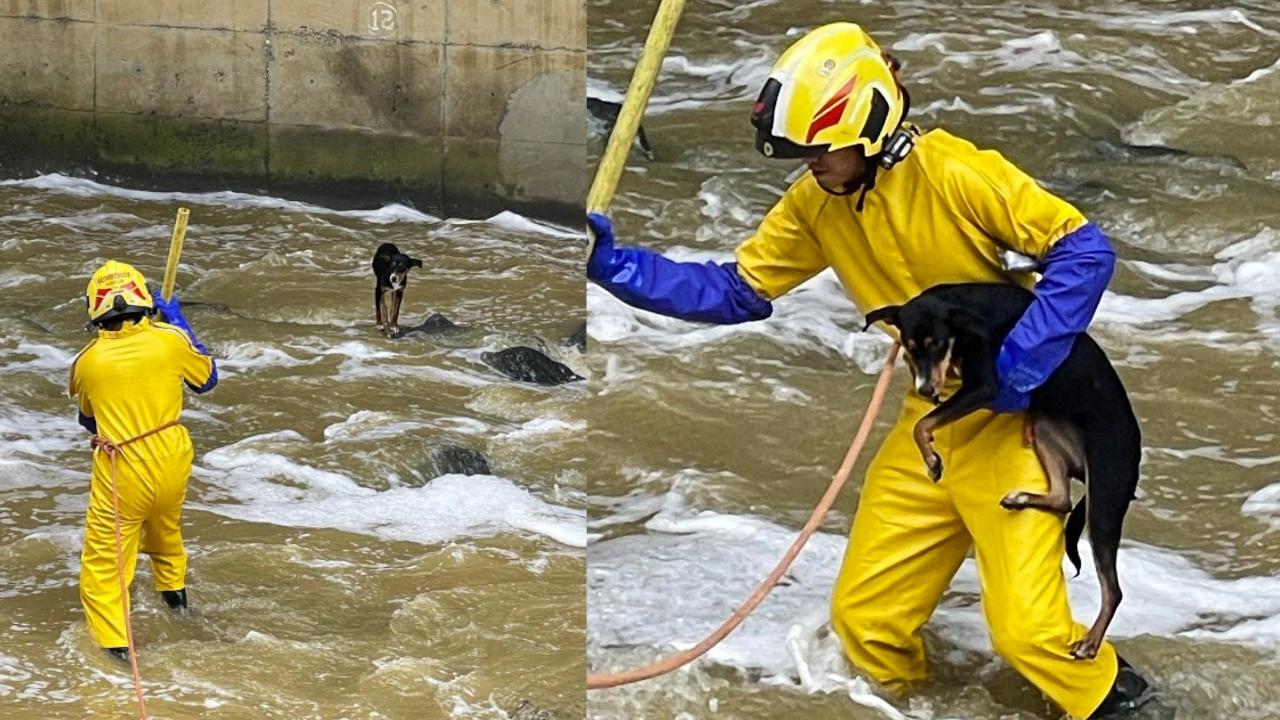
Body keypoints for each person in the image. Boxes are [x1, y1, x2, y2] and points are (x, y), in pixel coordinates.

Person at [587, 22, 1160, 720]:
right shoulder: (815, 204)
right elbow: (737, 290)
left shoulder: (956, 173)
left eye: (818, 152)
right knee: (867, 624)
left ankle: (1144, 708)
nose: (808, 167)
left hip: (1016, 428)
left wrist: (1021, 361)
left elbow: (1084, 252)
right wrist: (617, 269)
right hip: (930, 426)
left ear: (870, 129)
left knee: (1030, 636)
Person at [69, 260, 217, 661]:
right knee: (166, 531)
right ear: (143, 300)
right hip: (173, 457)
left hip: (124, 468)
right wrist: (181, 323)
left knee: (106, 558)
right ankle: (177, 605)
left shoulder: (87, 362)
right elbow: (207, 379)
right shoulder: (171, 340)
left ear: (96, 311)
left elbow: (88, 419)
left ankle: (116, 649)